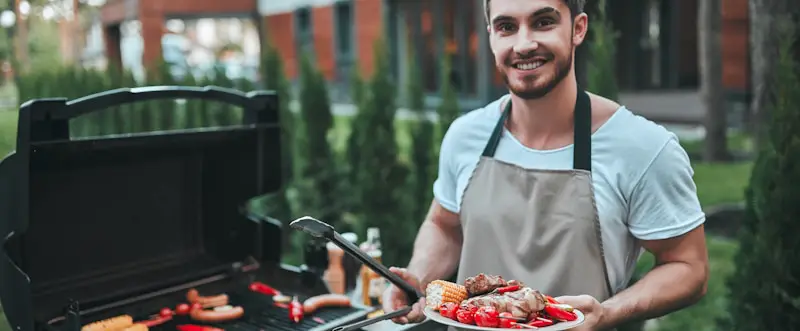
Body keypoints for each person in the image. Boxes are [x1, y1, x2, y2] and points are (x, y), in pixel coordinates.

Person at [381, 0, 710, 330]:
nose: (524, 44)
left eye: (543, 22)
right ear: (491, 35)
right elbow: (445, 226)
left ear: (578, 28)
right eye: (507, 27)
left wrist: (609, 312)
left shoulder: (643, 148)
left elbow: (688, 266)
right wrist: (418, 277)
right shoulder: (465, 135)